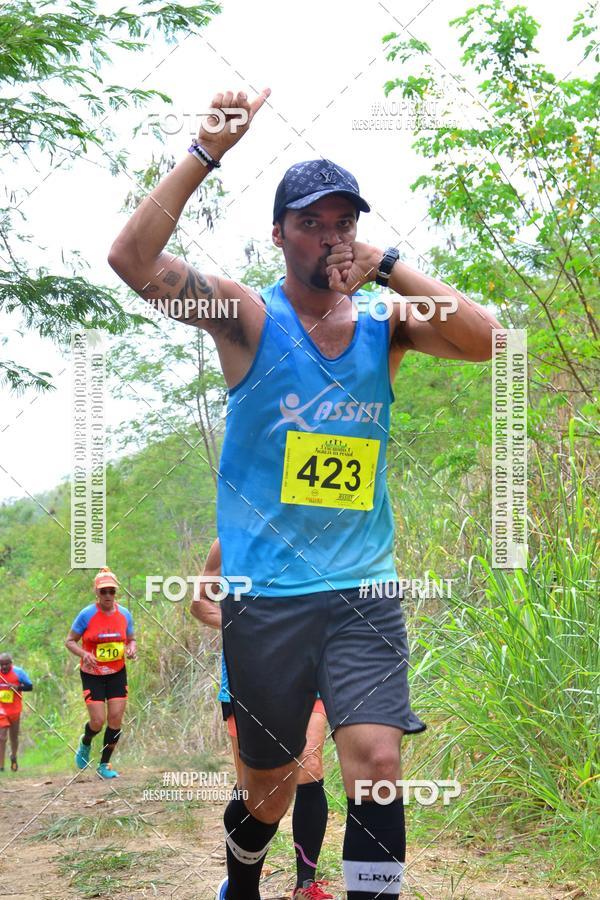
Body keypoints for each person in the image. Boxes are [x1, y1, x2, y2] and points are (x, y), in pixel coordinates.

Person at [108, 88, 501, 899]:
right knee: (273, 788)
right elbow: (133, 264)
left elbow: (490, 341)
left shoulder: (385, 328)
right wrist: (205, 152)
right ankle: (244, 873)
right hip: (269, 601)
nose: (331, 236)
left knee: (377, 763)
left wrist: (389, 265)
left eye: (343, 222)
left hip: (363, 590)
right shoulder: (249, 319)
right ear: (279, 234)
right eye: (312, 222)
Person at [191, 538, 333, 900]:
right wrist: (247, 628)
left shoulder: (319, 532)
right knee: (259, 793)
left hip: (309, 673)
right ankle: (241, 888)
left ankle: (306, 885)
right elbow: (199, 603)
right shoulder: (228, 542)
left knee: (310, 764)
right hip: (247, 678)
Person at [65, 567, 136, 779]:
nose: (107, 595)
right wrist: (83, 653)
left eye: (111, 591)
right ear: (96, 592)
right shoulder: (86, 615)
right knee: (97, 721)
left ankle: (104, 765)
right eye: (103, 591)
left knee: (115, 719)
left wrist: (132, 649)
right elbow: (69, 641)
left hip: (116, 672)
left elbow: (131, 639)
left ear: (116, 592)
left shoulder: (124, 614)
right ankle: (86, 742)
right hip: (92, 674)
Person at [0, 652, 33, 772]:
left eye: (6, 664)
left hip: (15, 710)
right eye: (1, 665)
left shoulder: (18, 672)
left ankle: (13, 757)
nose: (3, 667)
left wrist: (17, 687)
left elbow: (30, 686)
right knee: (2, 737)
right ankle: (1, 767)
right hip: (1, 710)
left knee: (13, 737)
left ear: (11, 663)